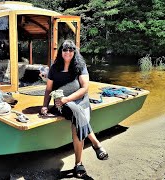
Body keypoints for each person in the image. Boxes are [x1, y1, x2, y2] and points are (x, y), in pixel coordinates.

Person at [40, 40, 108, 178]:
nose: (68, 52)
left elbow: (85, 88)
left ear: (74, 52)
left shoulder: (80, 66)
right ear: (61, 51)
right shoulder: (54, 68)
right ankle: (95, 143)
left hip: (81, 101)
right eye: (65, 50)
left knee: (77, 125)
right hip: (62, 102)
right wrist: (45, 106)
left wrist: (69, 98)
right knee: (75, 111)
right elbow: (48, 89)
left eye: (71, 50)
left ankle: (78, 163)